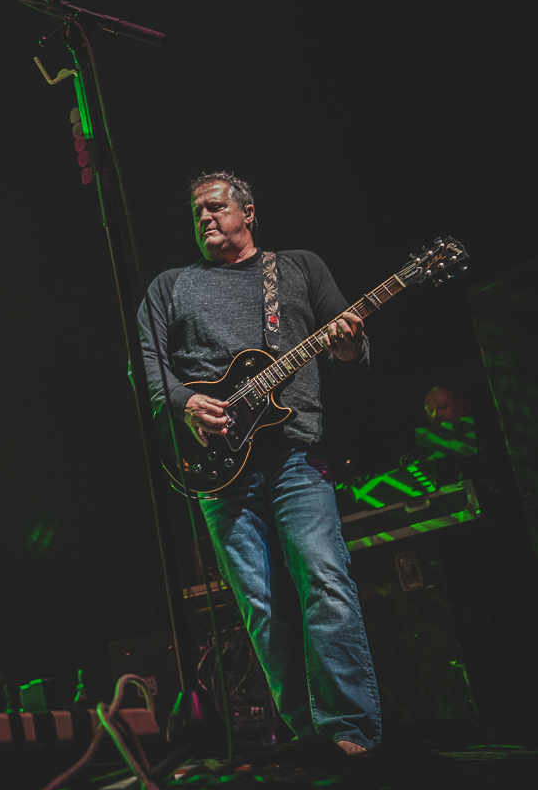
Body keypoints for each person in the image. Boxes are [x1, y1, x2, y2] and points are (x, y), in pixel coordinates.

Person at [137, 172, 380, 756]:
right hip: (217, 467)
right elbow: (144, 363)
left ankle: (351, 732)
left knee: (324, 582)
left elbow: (351, 353)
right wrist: (185, 401)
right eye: (196, 211)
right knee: (261, 604)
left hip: (296, 451)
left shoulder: (297, 268)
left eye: (215, 207)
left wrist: (349, 343)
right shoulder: (171, 285)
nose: (204, 218)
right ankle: (308, 737)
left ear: (248, 211)